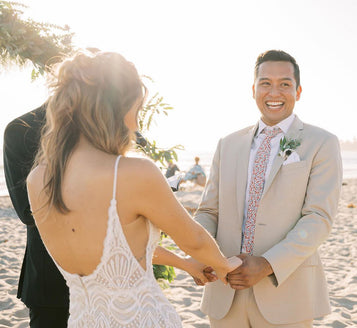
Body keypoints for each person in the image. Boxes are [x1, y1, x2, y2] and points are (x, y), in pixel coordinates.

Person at [26, 51, 241, 327]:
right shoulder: (132, 173)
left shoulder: (38, 179)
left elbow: (122, 252)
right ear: (116, 109)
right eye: (136, 110)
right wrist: (225, 266)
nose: (137, 124)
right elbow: (194, 239)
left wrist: (188, 265)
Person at [194, 50, 342, 327]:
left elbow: (318, 218)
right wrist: (200, 253)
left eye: (284, 84)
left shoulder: (322, 142)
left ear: (298, 91)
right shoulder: (228, 144)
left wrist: (267, 264)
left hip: (285, 291)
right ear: (253, 90)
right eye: (265, 83)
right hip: (225, 292)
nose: (274, 91)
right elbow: (208, 211)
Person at [3, 104, 70, 327]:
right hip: (52, 282)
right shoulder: (22, 130)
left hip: (110, 283)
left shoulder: (111, 123)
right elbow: (28, 211)